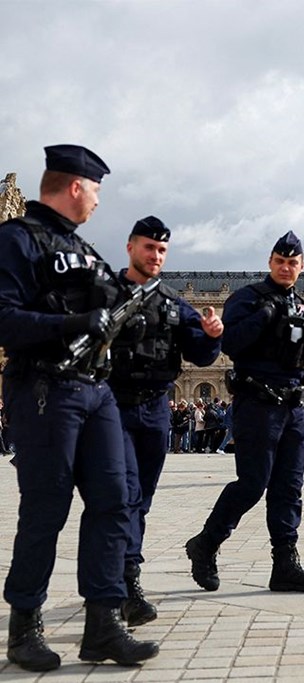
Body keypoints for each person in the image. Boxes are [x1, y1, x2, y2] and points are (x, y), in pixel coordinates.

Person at [0, 145, 159, 670]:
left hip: (96, 390)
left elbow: (114, 306)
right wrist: (70, 325)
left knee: (115, 501)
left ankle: (103, 624)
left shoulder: (84, 249)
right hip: (45, 386)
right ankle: (25, 625)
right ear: (74, 186)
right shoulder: (17, 240)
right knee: (46, 508)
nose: (97, 200)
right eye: (95, 189)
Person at [185, 230, 304, 594]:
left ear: (301, 266)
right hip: (258, 404)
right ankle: (206, 543)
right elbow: (230, 343)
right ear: (270, 262)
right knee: (252, 483)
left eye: (292, 262)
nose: (286, 267)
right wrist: (265, 316)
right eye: (280, 261)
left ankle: (285, 564)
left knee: (289, 487)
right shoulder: (247, 299)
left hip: (294, 408)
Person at [108, 216, 224, 627]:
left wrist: (212, 335)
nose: (155, 255)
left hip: (156, 408)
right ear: (130, 247)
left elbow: (202, 355)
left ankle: (122, 577)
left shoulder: (173, 303)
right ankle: (124, 582)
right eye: (148, 247)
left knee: (141, 498)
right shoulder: (105, 293)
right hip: (113, 407)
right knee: (122, 495)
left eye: (161, 250)